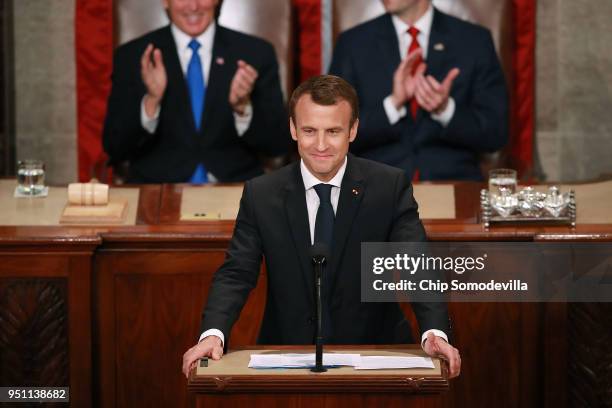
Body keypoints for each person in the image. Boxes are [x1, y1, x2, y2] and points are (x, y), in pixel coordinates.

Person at [182, 75, 460, 378]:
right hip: (287, 354)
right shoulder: (262, 194)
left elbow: (415, 263)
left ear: (353, 130)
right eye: (310, 131)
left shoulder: (388, 186)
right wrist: (213, 333)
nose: (321, 145)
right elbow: (237, 271)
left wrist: (434, 331)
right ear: (293, 129)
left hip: (375, 350)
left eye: (334, 131)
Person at [103, 0, 288, 183]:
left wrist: (242, 108)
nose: (193, 6)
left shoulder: (255, 53)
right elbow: (115, 146)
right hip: (158, 189)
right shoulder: (133, 56)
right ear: (165, 2)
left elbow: (277, 144)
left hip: (234, 185)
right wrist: (151, 102)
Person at [328, 0, 508, 181]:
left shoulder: (474, 41)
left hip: (454, 183)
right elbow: (333, 131)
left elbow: (495, 135)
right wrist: (392, 105)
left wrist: (446, 110)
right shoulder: (353, 43)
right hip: (376, 184)